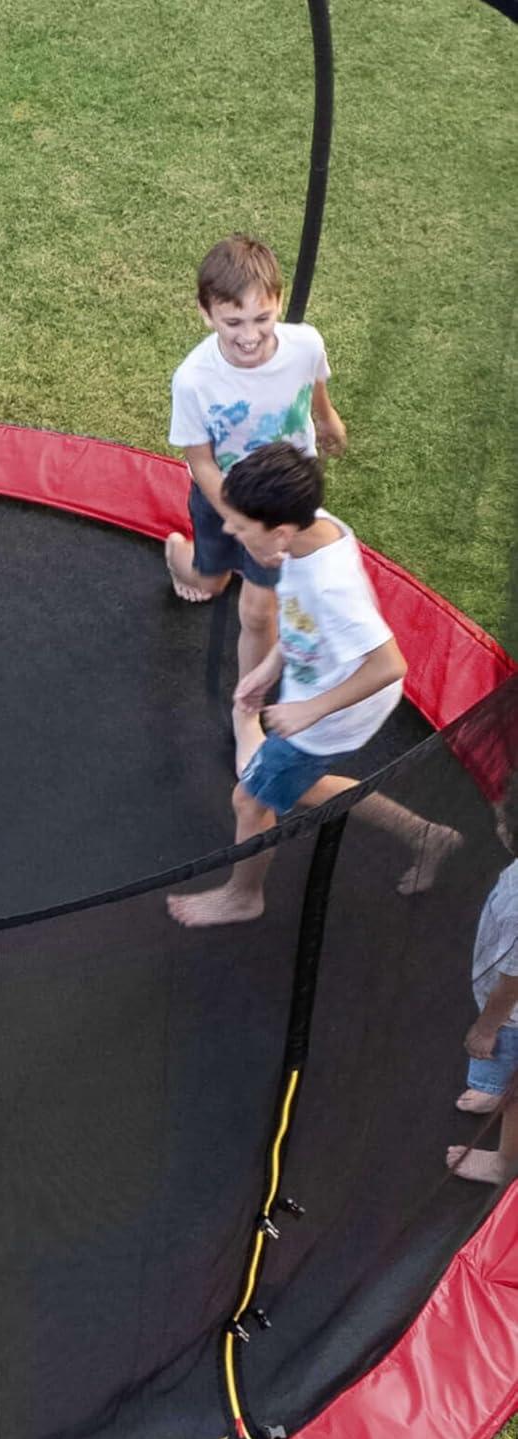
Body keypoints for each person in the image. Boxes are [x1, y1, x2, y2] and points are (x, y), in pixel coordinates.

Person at [167, 442, 460, 928]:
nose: (230, 531)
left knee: (251, 798)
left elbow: (389, 664)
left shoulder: (331, 583)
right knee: (298, 785)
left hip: (336, 709)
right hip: (322, 686)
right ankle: (425, 834)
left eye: (240, 527)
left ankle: (244, 896)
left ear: (278, 532)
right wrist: (269, 667)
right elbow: (304, 616)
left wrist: (311, 710)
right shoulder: (310, 530)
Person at [163, 234, 348, 771]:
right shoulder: (194, 380)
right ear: (206, 314)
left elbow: (315, 383)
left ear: (278, 302)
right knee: (208, 580)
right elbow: (201, 463)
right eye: (233, 323)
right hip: (224, 500)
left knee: (258, 609)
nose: (250, 336)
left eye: (262, 319)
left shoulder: (305, 342)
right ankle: (182, 555)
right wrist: (242, 525)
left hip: (284, 499)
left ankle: (246, 714)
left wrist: (326, 417)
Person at [448, 781, 518, 1186]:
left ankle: (505, 1162)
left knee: (515, 1089)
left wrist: (486, 1028)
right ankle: (498, 1089)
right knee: (504, 1073)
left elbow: (512, 985)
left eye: (502, 818)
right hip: (507, 999)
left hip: (511, 1016)